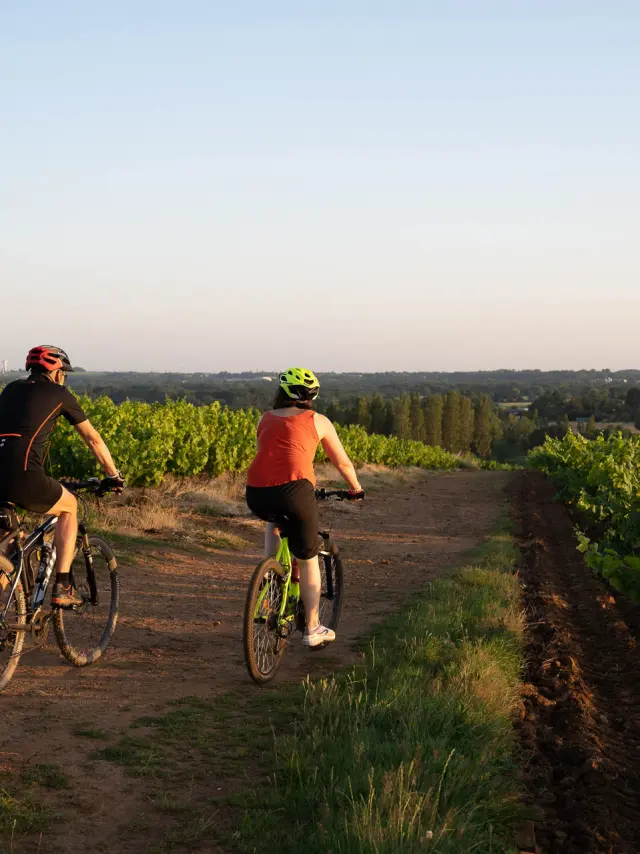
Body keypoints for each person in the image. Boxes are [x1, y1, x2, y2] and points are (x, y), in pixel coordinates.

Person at [245, 367, 364, 648]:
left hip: (257, 493)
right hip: (296, 491)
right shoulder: (318, 421)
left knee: (275, 521)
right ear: (311, 396)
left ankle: (271, 575)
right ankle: (312, 627)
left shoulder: (265, 418)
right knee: (308, 555)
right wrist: (356, 488)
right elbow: (343, 463)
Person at [0, 346, 125, 606]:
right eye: (63, 373)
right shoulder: (60, 394)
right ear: (56, 371)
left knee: (9, 548)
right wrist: (113, 475)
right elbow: (93, 439)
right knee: (70, 507)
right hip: (24, 476)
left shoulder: (10, 389)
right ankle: (63, 586)